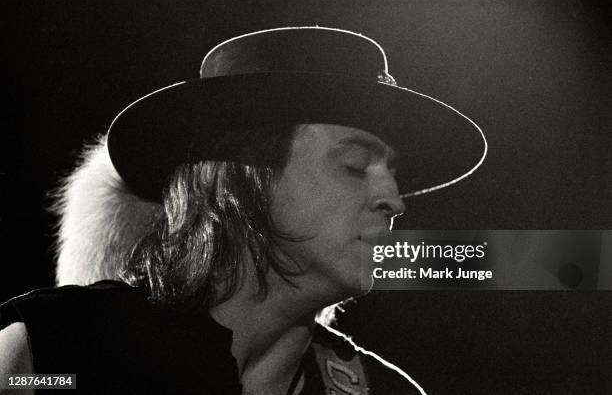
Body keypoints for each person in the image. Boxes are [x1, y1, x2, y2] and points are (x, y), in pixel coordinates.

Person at [0, 27, 485, 394]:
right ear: (238, 176)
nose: (395, 200)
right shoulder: (53, 353)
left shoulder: (385, 391)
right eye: (354, 165)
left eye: (394, 174)